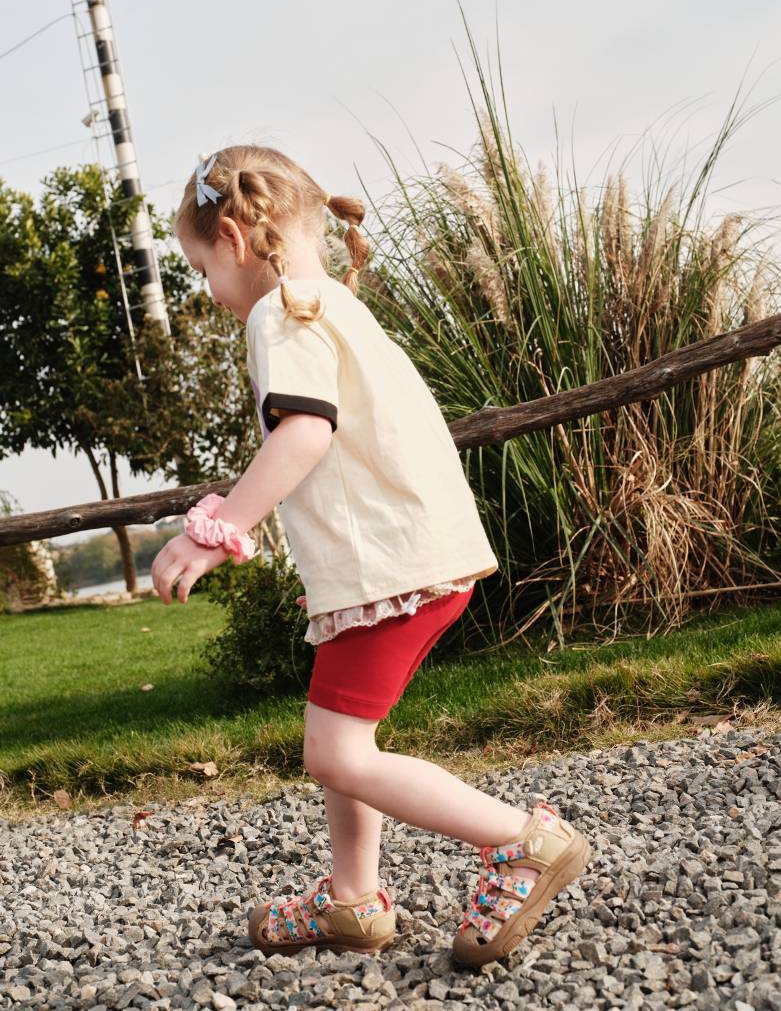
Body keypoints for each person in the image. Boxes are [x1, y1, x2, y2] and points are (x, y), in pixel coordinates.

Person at [151, 144, 592, 967]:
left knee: (335, 751)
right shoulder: (338, 307)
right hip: (410, 557)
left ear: (235, 240)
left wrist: (216, 529)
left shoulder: (281, 312)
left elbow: (304, 433)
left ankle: (524, 841)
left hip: (393, 567)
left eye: (202, 268)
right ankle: (354, 898)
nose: (208, 289)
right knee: (337, 731)